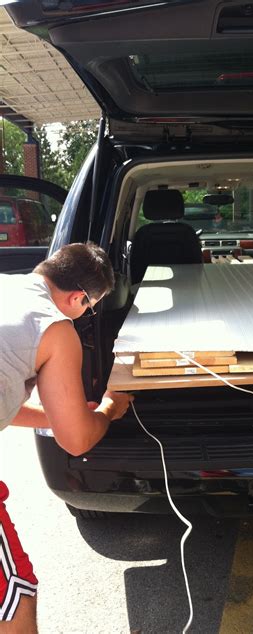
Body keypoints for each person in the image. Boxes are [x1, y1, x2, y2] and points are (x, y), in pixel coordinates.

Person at [0, 242, 133, 633]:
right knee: (15, 597)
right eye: (90, 308)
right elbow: (76, 442)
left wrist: (63, 415)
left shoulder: (7, 287)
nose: (87, 315)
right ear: (78, 297)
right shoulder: (54, 328)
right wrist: (109, 407)